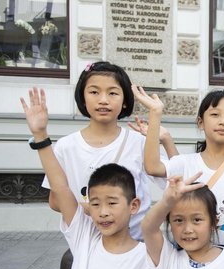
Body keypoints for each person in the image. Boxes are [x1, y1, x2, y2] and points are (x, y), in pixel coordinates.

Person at [22, 88, 160, 269]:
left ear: (133, 205)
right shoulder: (85, 238)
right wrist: (41, 135)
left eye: (113, 203)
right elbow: (61, 187)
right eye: (95, 204)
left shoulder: (146, 255)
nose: (103, 212)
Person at [40, 61, 167, 241]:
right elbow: (54, 201)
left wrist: (163, 134)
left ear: (125, 101)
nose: (103, 100)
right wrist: (96, 208)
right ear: (83, 98)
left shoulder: (138, 143)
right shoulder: (66, 146)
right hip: (86, 245)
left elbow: (171, 180)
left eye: (113, 93)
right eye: (94, 92)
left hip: (136, 246)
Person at [136, 87, 224, 256]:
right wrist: (155, 114)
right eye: (215, 115)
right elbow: (152, 166)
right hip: (189, 262)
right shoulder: (185, 163)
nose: (223, 121)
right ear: (200, 122)